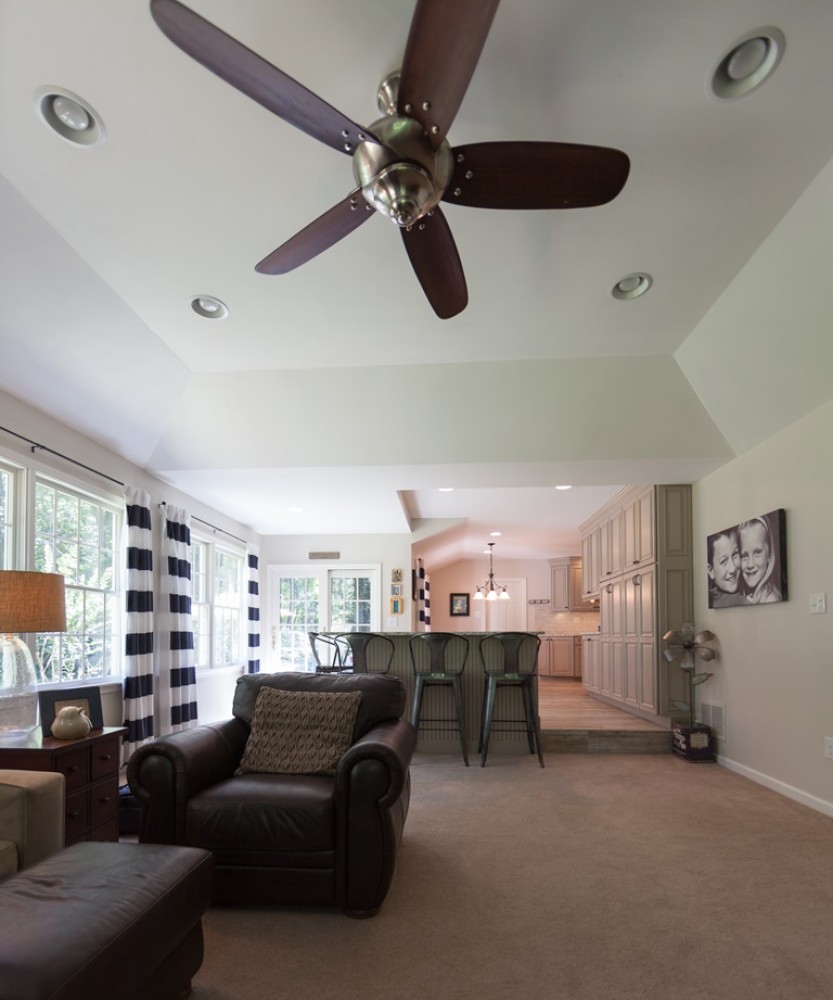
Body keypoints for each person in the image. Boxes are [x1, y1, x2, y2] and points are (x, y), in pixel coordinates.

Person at [738, 516, 781, 603]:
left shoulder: (770, 599)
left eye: (757, 553)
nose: (750, 564)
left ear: (769, 554)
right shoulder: (745, 595)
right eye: (744, 556)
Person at [707, 527, 747, 607]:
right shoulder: (738, 601)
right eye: (723, 561)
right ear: (711, 570)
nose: (732, 569)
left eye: (735, 554)